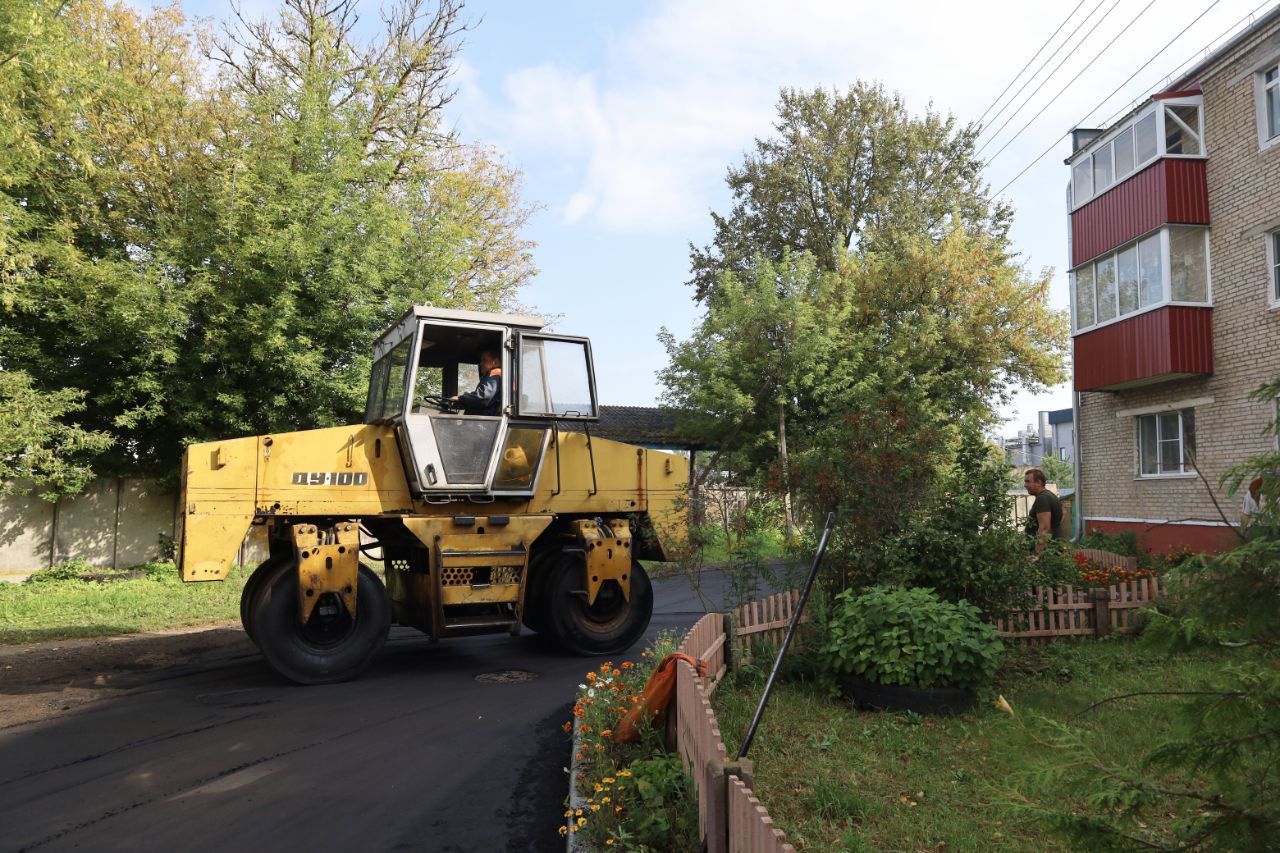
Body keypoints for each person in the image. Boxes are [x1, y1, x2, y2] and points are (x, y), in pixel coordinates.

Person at [449, 349, 503, 416]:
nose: (481, 363)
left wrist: (460, 399)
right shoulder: (495, 377)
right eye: (481, 361)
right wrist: (463, 402)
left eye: (485, 360)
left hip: (489, 421)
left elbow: (483, 398)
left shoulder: (495, 376)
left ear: (495, 362)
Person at [1023, 468, 1063, 553]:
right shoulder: (1050, 496)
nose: (1025, 485)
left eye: (1028, 481)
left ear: (1039, 483)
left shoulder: (1043, 499)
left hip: (1045, 554)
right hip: (1052, 550)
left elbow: (1044, 529)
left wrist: (1037, 554)